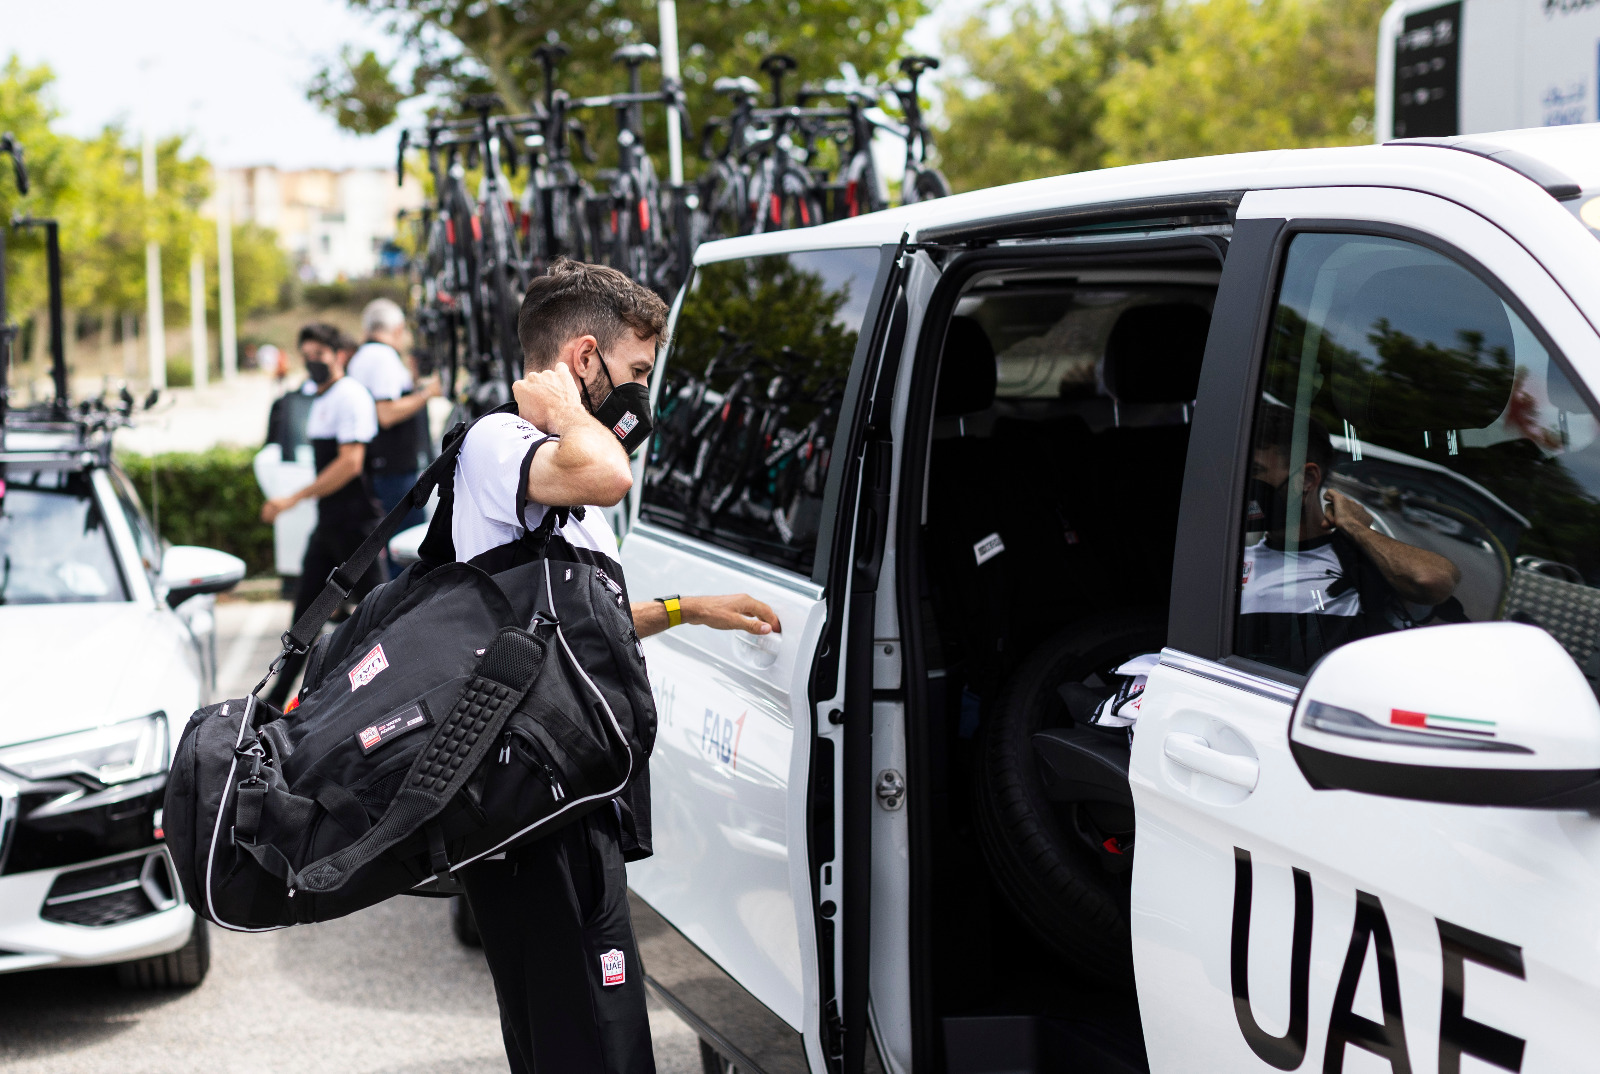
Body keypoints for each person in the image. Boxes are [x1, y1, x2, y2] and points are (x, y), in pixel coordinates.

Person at [453, 259, 780, 1074]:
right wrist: (566, 404)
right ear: (585, 356)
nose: (644, 397)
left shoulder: (548, 459)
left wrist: (688, 608)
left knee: (596, 1034)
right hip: (530, 804)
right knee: (586, 1044)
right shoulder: (503, 441)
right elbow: (609, 473)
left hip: (567, 797)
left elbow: (574, 621)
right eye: (635, 373)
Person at [1236, 407, 1461, 670]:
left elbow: (1433, 579)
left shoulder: (1359, 565)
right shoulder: (1232, 559)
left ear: (1307, 479)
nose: (1241, 482)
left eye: (1254, 470)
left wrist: (1355, 527)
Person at [258, 324, 385, 709]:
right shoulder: (320, 397)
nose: (313, 362)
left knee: (380, 621)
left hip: (356, 527)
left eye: (320, 354)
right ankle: (272, 705)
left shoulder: (351, 396)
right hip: (330, 525)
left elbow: (350, 463)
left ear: (339, 354)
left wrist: (292, 499)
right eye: (307, 355)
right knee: (304, 623)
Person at [346, 298, 441, 536]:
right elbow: (386, 414)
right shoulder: (382, 357)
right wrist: (428, 393)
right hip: (393, 471)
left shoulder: (362, 356)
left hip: (378, 467)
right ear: (398, 329)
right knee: (405, 542)